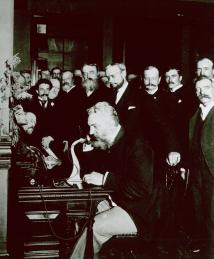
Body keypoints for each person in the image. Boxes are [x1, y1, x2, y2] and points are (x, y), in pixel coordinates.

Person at [69, 101, 159, 259]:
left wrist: (105, 179)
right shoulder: (115, 142)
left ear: (109, 124)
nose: (91, 131)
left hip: (140, 213)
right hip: (125, 203)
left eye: (94, 126)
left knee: (93, 227)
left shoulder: (137, 144)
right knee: (87, 213)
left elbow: (141, 188)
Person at [188, 76, 214, 259]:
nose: (202, 92)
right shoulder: (194, 117)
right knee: (200, 214)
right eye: (198, 89)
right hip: (198, 176)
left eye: (206, 87)